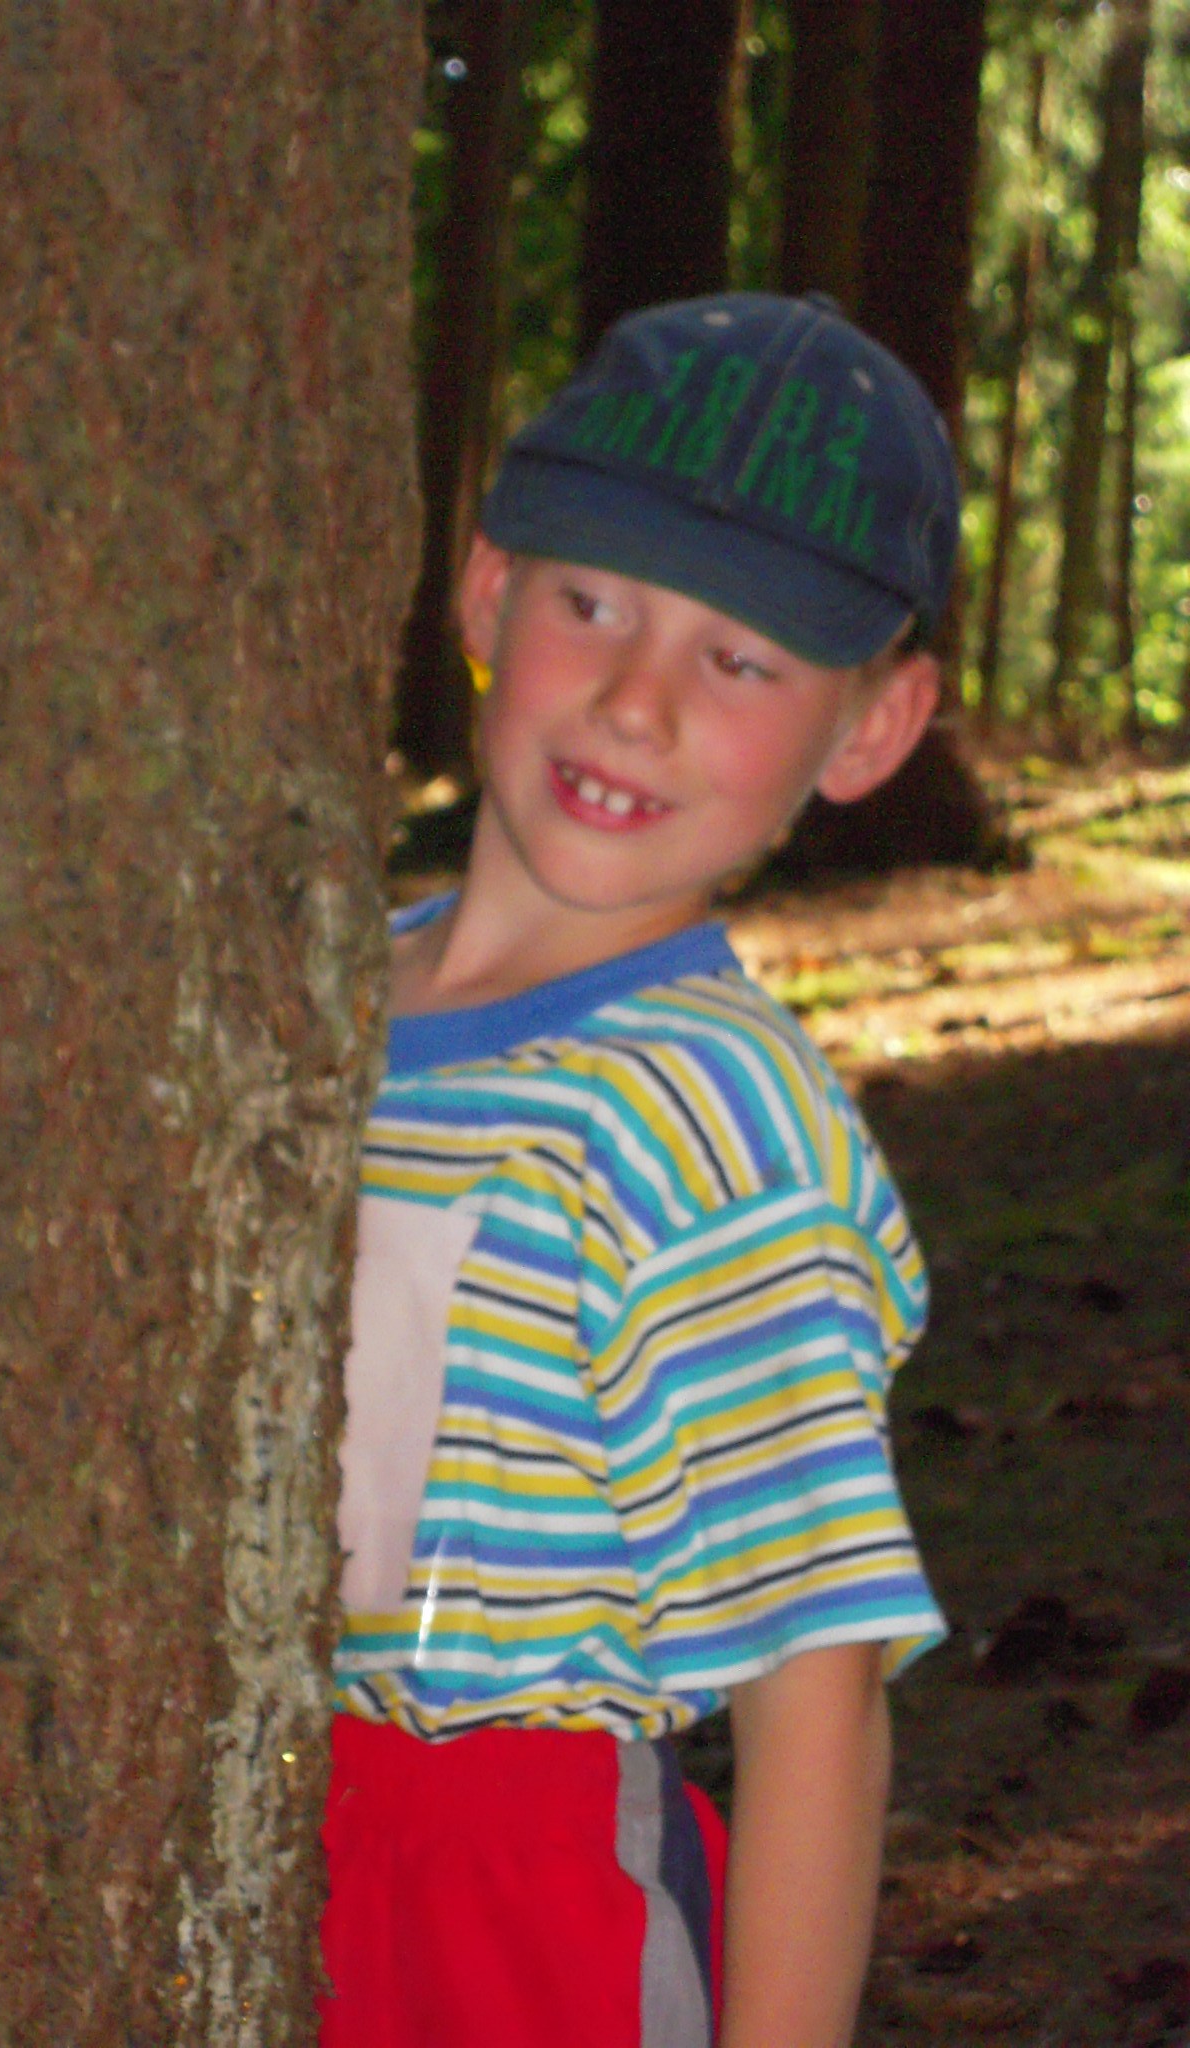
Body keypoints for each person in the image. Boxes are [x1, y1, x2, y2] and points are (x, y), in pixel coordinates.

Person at [321, 291, 956, 2048]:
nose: (635, 703)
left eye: (741, 660)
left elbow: (815, 1697)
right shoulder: (318, 1001)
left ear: (871, 730)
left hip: (524, 1908)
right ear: (485, 595)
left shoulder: (712, 1122)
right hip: (265, 1833)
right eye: (593, 603)